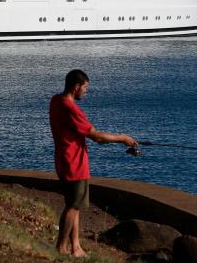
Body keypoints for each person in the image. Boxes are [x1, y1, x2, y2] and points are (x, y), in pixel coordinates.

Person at [49, 69, 138, 257]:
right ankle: (61, 247)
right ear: (76, 87)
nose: (86, 92)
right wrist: (123, 138)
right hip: (75, 163)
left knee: (75, 204)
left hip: (62, 160)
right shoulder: (71, 109)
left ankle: (76, 247)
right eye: (85, 88)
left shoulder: (55, 100)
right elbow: (97, 137)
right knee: (73, 206)